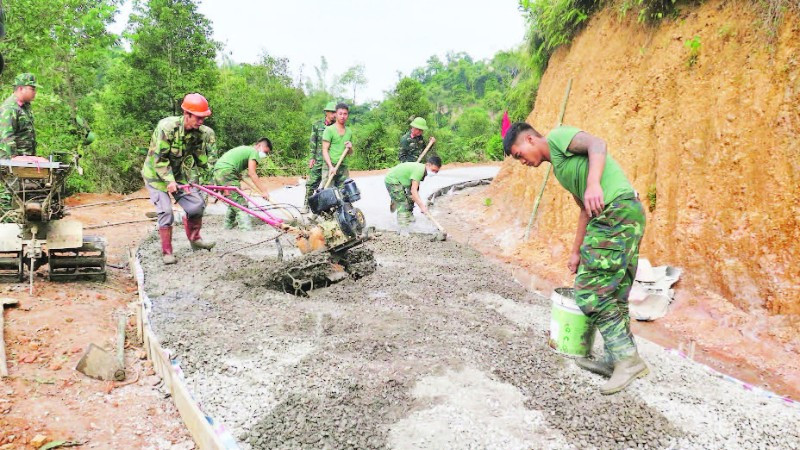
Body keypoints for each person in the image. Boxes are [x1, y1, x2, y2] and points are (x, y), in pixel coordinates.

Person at [503, 122, 647, 395]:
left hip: (615, 213)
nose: (522, 162)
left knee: (591, 291)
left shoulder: (557, 138)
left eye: (519, 154)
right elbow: (584, 209)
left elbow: (597, 144)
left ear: (530, 139)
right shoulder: (561, 169)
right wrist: (576, 251)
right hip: (627, 212)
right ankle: (614, 358)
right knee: (614, 291)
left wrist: (593, 184)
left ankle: (628, 360)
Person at [141, 93, 217, 265]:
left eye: (203, 118)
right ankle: (167, 252)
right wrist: (169, 181)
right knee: (166, 211)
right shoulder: (167, 128)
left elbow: (201, 159)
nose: (201, 121)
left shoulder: (199, 133)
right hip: (155, 175)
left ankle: (195, 239)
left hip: (177, 174)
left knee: (196, 205)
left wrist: (212, 179)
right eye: (198, 117)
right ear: (186, 114)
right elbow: (159, 160)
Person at [213, 137, 273, 230]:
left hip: (219, 171)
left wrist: (237, 174)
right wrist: (263, 191)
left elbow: (233, 161)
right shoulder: (254, 152)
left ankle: (227, 227)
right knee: (240, 204)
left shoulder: (245, 149)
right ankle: (246, 230)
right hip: (227, 172)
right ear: (259, 146)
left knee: (233, 200)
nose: (265, 155)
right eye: (265, 152)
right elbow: (252, 173)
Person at [384, 156, 442, 226]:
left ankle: (408, 215)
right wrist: (422, 207)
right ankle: (403, 226)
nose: (434, 173)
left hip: (403, 181)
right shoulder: (419, 171)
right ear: (428, 165)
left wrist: (419, 203)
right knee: (402, 203)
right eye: (433, 170)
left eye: (436, 172)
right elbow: (413, 190)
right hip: (392, 180)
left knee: (411, 197)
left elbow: (414, 191)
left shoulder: (423, 171)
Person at [304, 101, 337, 211]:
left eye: (335, 112)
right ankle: (306, 205)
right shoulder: (317, 125)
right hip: (318, 159)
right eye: (332, 112)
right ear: (326, 112)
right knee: (311, 183)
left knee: (328, 185)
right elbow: (313, 142)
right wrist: (312, 158)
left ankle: (325, 209)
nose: (334, 115)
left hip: (330, 161)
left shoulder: (337, 127)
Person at [0, 73, 39, 158]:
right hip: (12, 161)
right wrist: (15, 159)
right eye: (32, 89)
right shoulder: (9, 108)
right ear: (21, 89)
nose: (35, 92)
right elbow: (6, 137)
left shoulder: (25, 107)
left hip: (25, 159)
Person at [321, 103, 353, 190]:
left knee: (345, 193)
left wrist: (350, 147)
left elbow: (350, 153)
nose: (342, 116)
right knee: (328, 193)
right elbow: (324, 150)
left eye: (345, 114)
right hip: (330, 166)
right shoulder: (329, 130)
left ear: (347, 115)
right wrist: (331, 166)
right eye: (340, 114)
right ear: (336, 114)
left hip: (343, 167)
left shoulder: (349, 132)